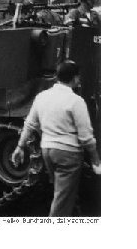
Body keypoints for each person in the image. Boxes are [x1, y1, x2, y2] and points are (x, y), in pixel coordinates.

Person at [11, 60, 101, 217]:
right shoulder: (76, 101)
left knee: (62, 193)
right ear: (74, 79)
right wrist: (96, 162)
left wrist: (19, 147)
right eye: (78, 77)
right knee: (62, 202)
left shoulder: (41, 97)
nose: (79, 80)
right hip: (68, 155)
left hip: (47, 152)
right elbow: (86, 138)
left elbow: (30, 124)